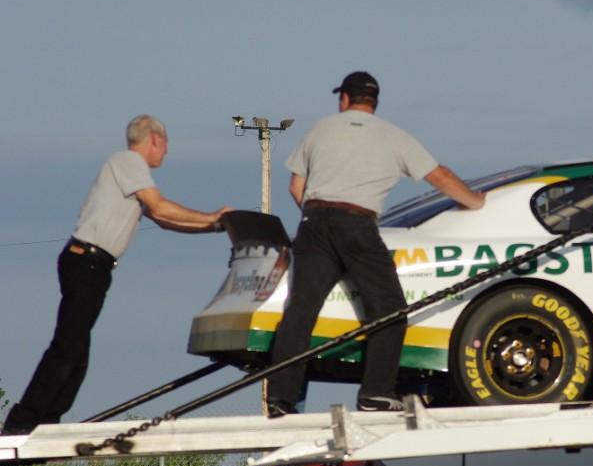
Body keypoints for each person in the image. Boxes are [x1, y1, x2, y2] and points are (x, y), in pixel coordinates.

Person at [266, 71, 485, 416]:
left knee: (300, 313)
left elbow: (296, 187)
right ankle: (375, 393)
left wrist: (318, 217)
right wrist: (474, 201)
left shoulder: (320, 129)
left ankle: (280, 399)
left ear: (345, 100)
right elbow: (439, 176)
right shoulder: (394, 137)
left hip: (314, 223)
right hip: (357, 225)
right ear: (374, 102)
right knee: (390, 310)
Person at [2, 115, 233, 435]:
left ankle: (46, 421)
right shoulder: (127, 161)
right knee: (68, 347)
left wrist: (215, 226)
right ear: (154, 139)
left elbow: (164, 220)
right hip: (86, 261)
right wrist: (213, 217)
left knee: (77, 352)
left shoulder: (128, 171)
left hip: (93, 266)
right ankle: (23, 422)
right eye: (165, 144)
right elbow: (161, 208)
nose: (166, 152)